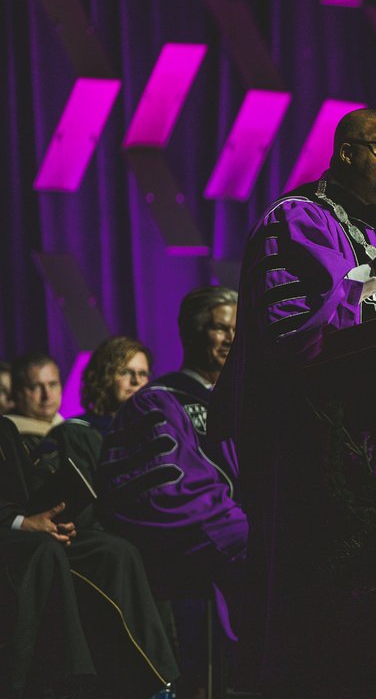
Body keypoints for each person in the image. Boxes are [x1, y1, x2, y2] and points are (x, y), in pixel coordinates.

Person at [210, 107, 376, 694]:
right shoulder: (296, 220)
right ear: (346, 152)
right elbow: (295, 335)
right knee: (316, 609)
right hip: (308, 445)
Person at [98, 286, 245, 698]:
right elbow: (165, 494)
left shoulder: (246, 402)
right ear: (192, 334)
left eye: (237, 328)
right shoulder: (156, 405)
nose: (232, 337)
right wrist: (248, 526)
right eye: (220, 328)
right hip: (194, 546)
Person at [1, 415, 179, 698]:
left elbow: (25, 488)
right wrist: (21, 522)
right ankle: (72, 682)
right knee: (44, 551)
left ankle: (158, 683)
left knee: (114, 551)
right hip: (11, 534)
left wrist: (54, 513)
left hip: (27, 524)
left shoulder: (4, 428)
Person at [46, 336, 152, 490]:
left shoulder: (154, 429)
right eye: (125, 372)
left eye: (142, 373)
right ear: (104, 376)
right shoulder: (75, 433)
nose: (136, 381)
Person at [5, 353, 65, 436]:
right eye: (35, 387)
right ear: (16, 392)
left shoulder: (70, 430)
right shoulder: (7, 436)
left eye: (53, 384)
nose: (47, 395)